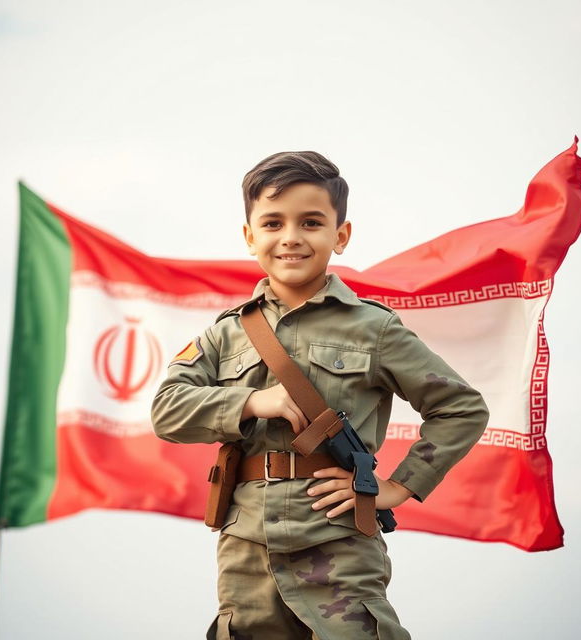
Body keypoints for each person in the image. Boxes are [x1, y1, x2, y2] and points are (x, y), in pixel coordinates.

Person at [151, 151, 490, 639]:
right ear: (250, 237)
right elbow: (167, 410)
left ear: (340, 235)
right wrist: (250, 403)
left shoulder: (375, 328)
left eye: (311, 222)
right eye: (272, 223)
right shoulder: (225, 333)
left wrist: (398, 486)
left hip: (339, 541)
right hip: (247, 547)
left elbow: (460, 407)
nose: (291, 236)